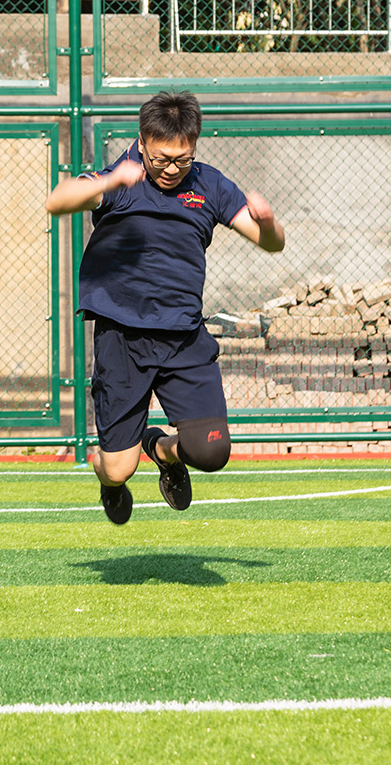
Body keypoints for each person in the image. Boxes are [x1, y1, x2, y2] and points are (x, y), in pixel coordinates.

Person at [44, 90, 285, 524]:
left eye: (182, 159)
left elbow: (271, 244)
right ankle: (111, 478)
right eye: (161, 159)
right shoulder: (119, 179)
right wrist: (109, 183)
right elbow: (57, 201)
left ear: (194, 147)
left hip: (184, 338)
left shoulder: (209, 185)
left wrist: (267, 224)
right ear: (141, 143)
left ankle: (159, 448)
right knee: (117, 469)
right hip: (123, 340)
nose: (171, 169)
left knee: (211, 451)